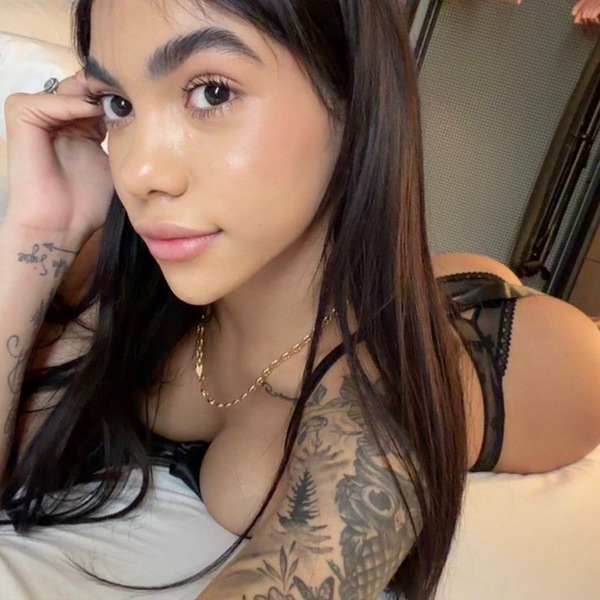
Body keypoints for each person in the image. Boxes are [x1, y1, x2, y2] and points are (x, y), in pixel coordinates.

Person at [1, 1, 600, 599]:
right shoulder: (118, 269)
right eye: (118, 104)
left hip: (525, 340)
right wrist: (37, 229)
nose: (140, 173)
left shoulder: (380, 384)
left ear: (351, 95)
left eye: (212, 93)